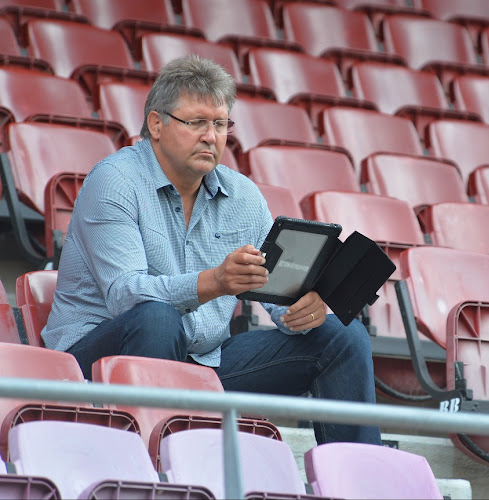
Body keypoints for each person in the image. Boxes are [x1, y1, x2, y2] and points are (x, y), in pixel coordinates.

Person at [42, 55, 381, 446]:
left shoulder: (243, 196)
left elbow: (274, 296)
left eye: (220, 124)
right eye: (197, 122)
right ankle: (160, 470)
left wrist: (302, 309)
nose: (211, 136)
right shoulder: (114, 182)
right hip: (91, 367)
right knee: (157, 318)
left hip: (201, 364)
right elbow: (125, 297)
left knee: (342, 334)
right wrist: (215, 282)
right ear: (157, 124)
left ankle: (356, 478)